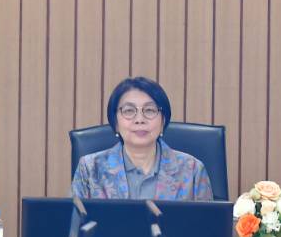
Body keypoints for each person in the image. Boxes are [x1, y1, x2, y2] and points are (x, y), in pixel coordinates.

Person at [72, 76, 214, 200]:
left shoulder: (192, 170)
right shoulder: (90, 170)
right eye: (129, 111)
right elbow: (75, 221)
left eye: (149, 110)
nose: (139, 119)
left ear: (163, 121)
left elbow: (207, 222)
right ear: (115, 122)